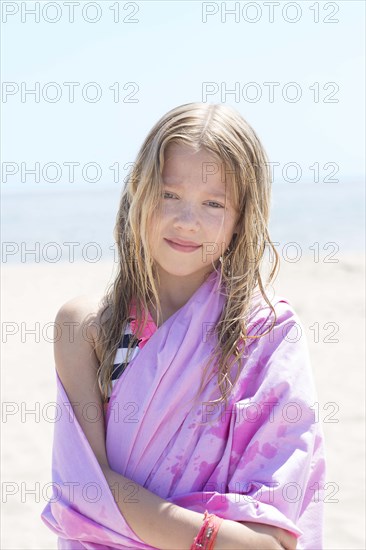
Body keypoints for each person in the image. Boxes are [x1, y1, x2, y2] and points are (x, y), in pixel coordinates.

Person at [41, 102, 326, 549]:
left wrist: (122, 506)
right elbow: (82, 497)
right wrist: (214, 533)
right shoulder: (90, 329)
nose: (186, 221)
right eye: (169, 194)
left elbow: (269, 543)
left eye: (214, 203)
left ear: (239, 221)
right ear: (138, 191)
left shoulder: (266, 335)